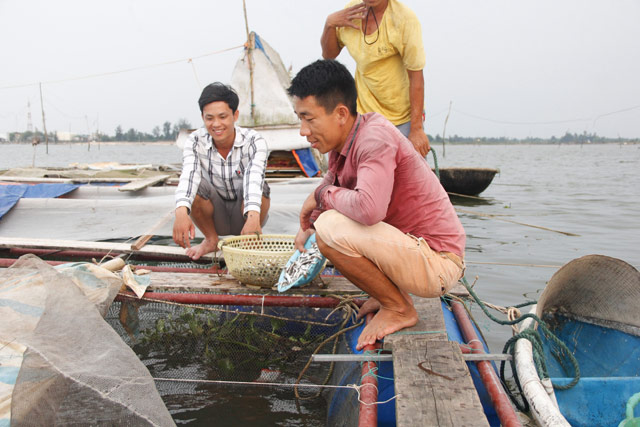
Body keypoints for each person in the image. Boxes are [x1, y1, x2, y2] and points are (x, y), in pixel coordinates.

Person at [288, 60, 465, 350]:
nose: (303, 131)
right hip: (411, 252)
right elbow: (332, 188)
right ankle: (388, 295)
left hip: (437, 263)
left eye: (309, 119)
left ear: (341, 114)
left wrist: (320, 199)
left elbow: (368, 209)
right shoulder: (343, 144)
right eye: (300, 119)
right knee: (324, 228)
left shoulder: (374, 138)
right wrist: (307, 224)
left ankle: (398, 308)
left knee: (330, 228)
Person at [173, 82, 270, 260]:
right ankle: (210, 240)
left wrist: (253, 217)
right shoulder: (194, 141)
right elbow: (189, 174)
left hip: (245, 214)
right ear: (202, 117)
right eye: (209, 118)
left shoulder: (254, 140)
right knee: (196, 187)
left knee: (261, 187)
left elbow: (254, 177)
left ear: (235, 115)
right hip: (216, 214)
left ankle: (246, 242)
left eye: (223, 117)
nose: (216, 124)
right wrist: (180, 211)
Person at [321, 0, 431, 156]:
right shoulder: (352, 13)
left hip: (402, 118)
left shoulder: (404, 19)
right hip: (365, 117)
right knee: (367, 173)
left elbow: (416, 77)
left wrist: (417, 129)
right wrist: (329, 24)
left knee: (409, 175)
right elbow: (329, 54)